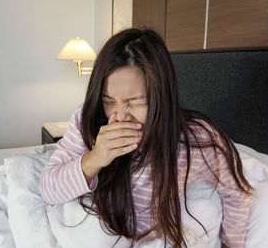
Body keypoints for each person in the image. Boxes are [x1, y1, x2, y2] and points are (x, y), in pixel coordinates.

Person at [40, 28, 253, 248]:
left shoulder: (196, 140)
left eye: (135, 101)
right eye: (109, 100)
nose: (120, 115)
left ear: (161, 96)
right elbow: (49, 189)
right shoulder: (90, 119)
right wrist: (95, 158)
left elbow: (237, 194)